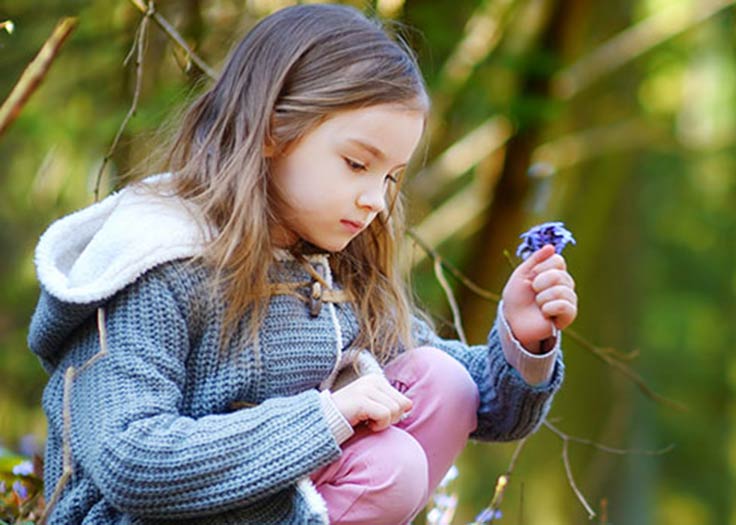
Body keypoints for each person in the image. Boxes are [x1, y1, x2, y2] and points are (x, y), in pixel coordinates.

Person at [27, 5, 576, 523]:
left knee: (443, 383)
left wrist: (523, 342)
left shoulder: (325, 265)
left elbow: (478, 408)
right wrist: (328, 418)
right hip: (135, 513)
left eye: (389, 176)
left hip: (262, 502)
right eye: (356, 163)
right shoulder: (160, 262)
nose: (376, 200)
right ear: (271, 131)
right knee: (389, 469)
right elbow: (130, 460)